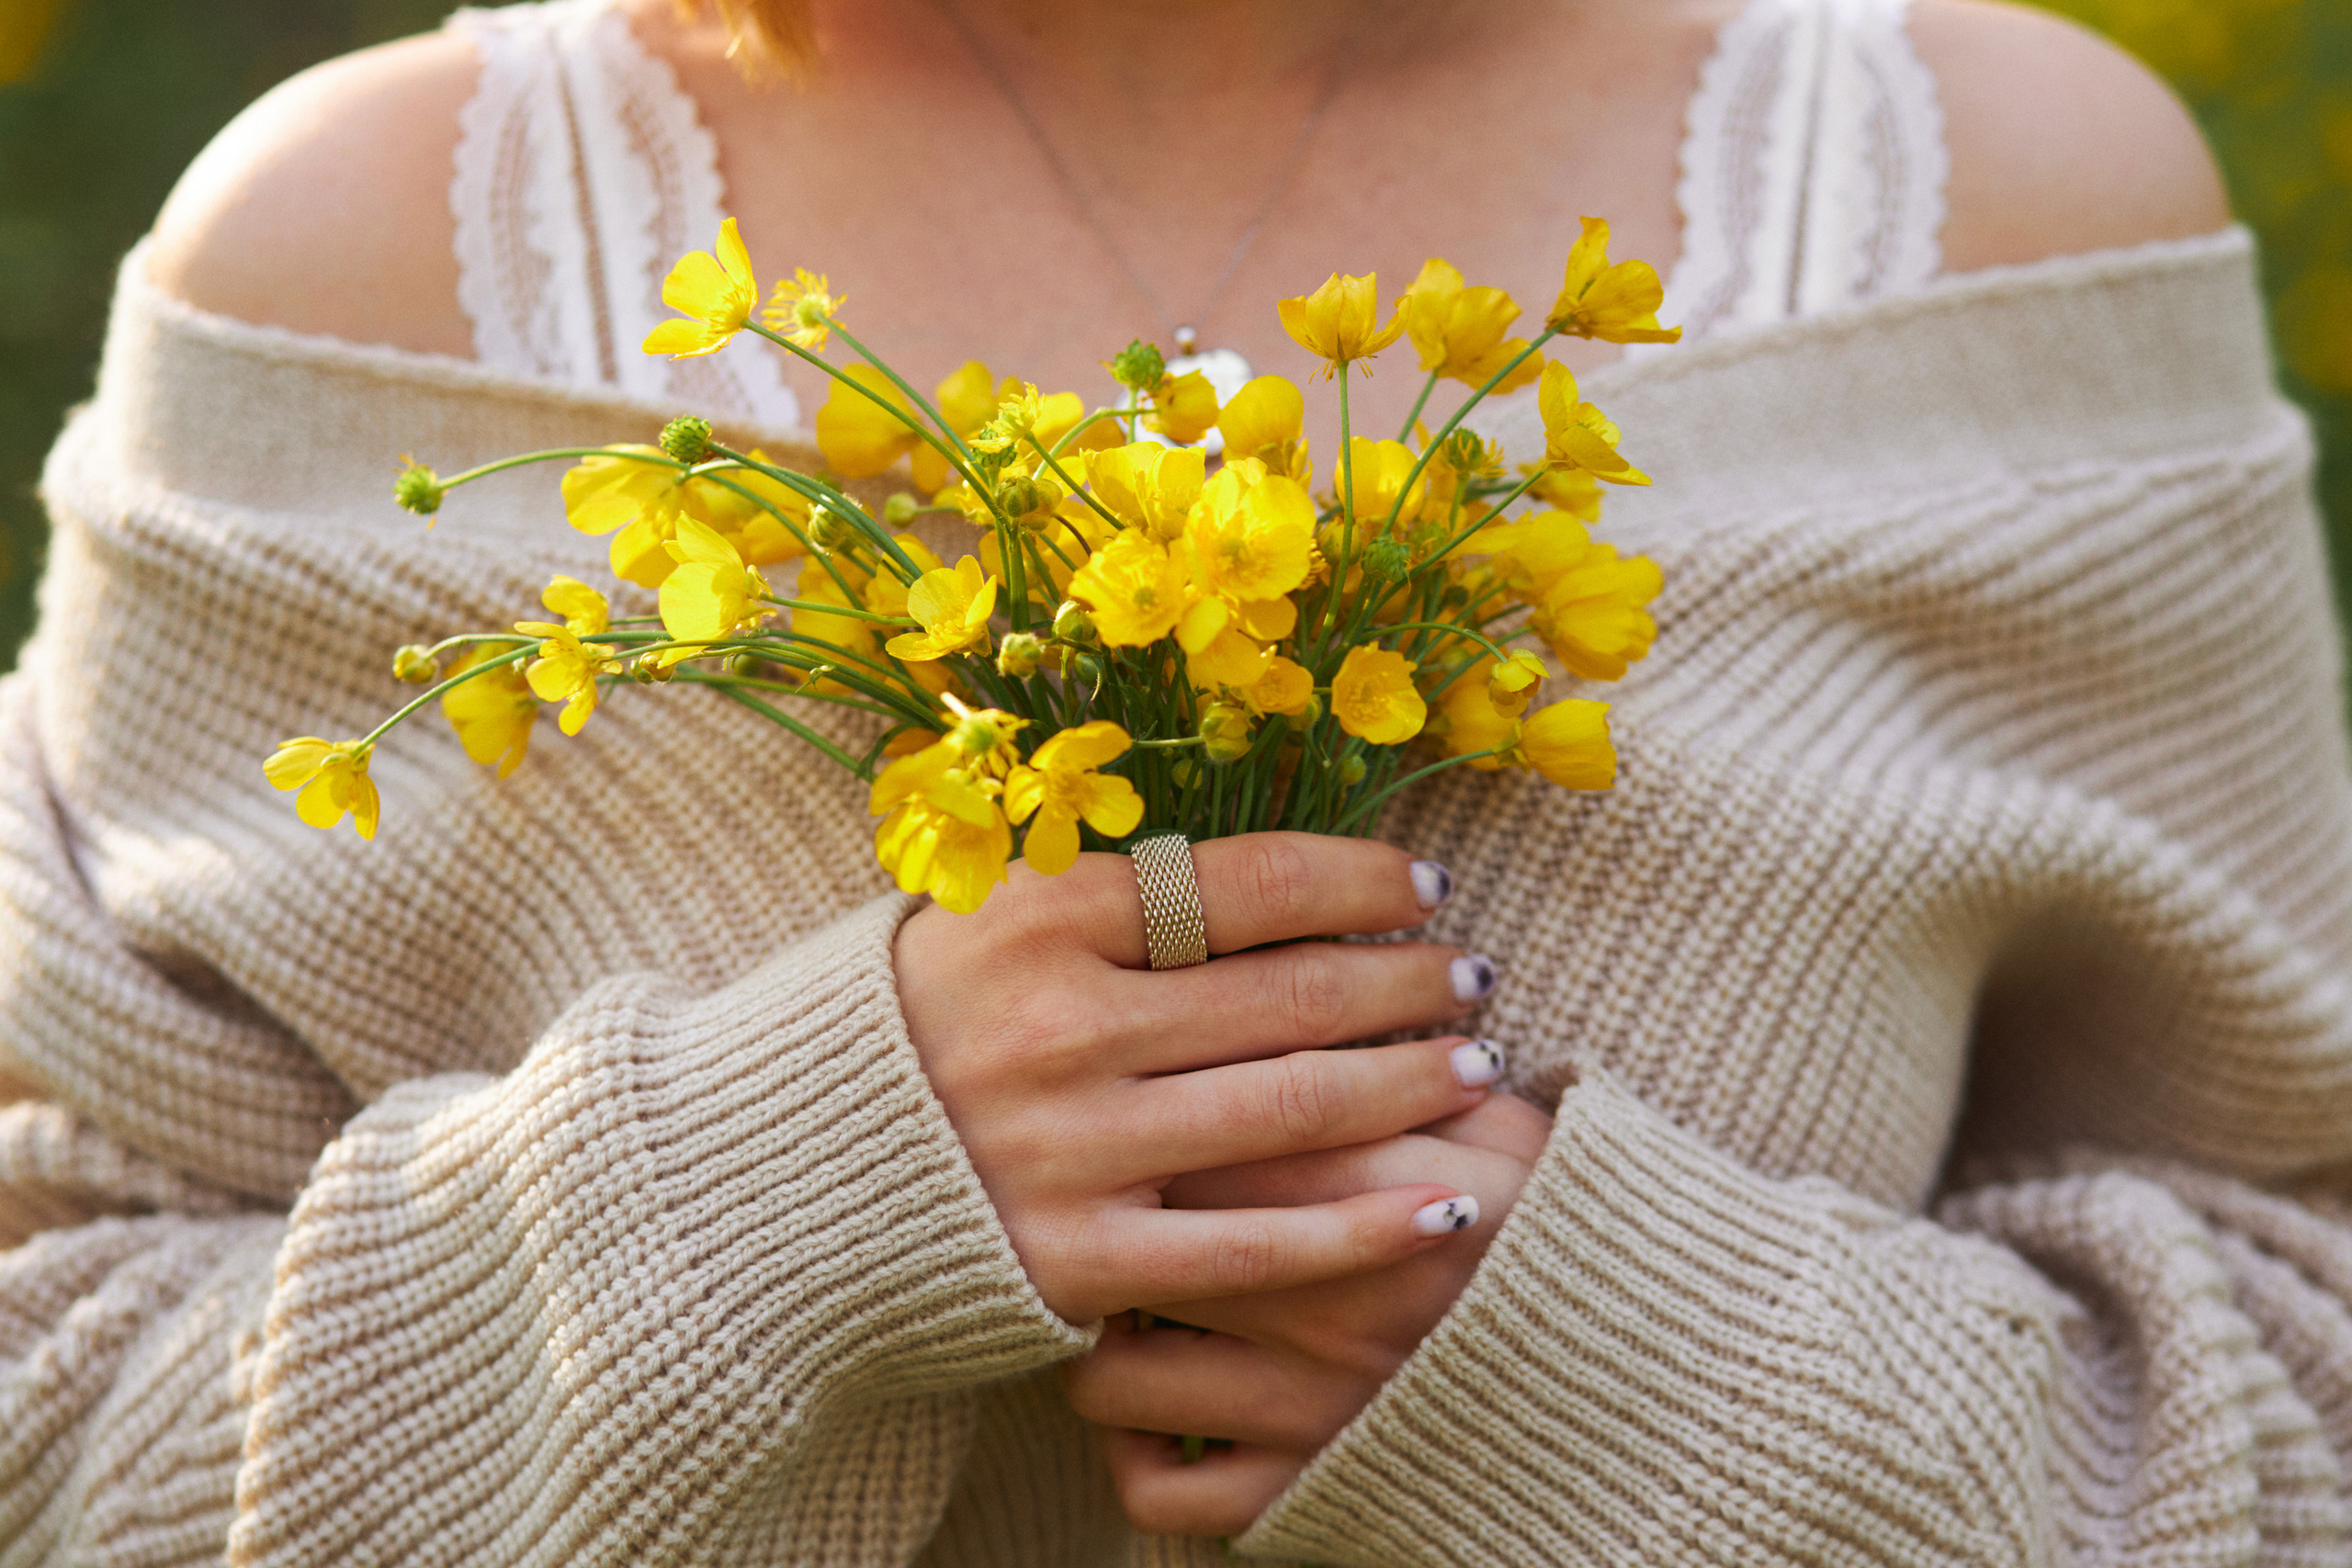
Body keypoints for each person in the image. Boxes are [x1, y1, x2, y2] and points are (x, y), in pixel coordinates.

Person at [5, 0, 2329, 1562]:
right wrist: (776, 1200)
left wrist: (1629, 1375)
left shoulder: (1984, 187)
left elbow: (2304, 1390)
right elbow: (45, 1415)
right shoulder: (349, 247)